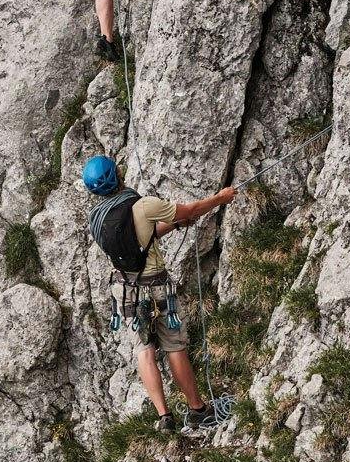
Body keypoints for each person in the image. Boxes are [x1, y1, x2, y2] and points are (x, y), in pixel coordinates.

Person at [81, 154, 236, 435]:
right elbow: (190, 210)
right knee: (174, 346)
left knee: (145, 350)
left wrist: (174, 226)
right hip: (156, 286)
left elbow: (138, 240)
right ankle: (198, 410)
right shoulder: (143, 205)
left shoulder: (97, 219)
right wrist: (220, 199)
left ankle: (164, 417)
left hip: (125, 289)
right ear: (117, 174)